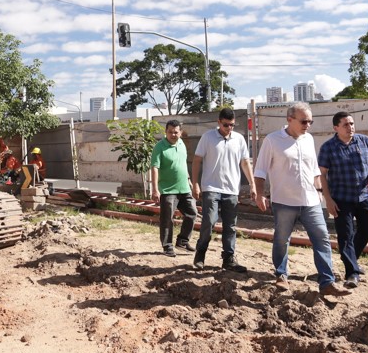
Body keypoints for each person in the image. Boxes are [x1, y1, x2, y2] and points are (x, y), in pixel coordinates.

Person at [253, 102, 351, 297]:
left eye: (310, 121)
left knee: (322, 238)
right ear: (289, 120)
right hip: (284, 201)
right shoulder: (272, 140)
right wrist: (260, 193)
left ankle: (327, 282)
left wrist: (322, 194)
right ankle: (281, 275)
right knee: (282, 239)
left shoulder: (309, 139)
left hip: (310, 200)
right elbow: (260, 170)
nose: (308, 125)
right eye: (304, 121)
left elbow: (315, 171)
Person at [317, 111, 368, 288]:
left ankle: (351, 259)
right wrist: (328, 199)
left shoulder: (364, 141)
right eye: (346, 124)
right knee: (345, 236)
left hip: (364, 195)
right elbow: (322, 175)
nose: (350, 127)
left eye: (352, 124)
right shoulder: (328, 147)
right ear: (336, 127)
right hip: (341, 199)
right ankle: (352, 273)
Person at [191, 108, 257, 272]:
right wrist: (195, 183)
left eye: (232, 125)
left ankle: (228, 259)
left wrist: (252, 184)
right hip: (211, 187)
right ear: (219, 122)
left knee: (230, 226)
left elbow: (245, 163)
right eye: (226, 125)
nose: (229, 128)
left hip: (231, 189)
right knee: (209, 221)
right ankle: (200, 254)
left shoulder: (239, 139)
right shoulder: (208, 137)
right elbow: (197, 160)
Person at [150, 120, 197, 257]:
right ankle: (167, 246)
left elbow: (182, 164)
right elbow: (154, 168)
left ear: (180, 133)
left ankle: (182, 241)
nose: (173, 134)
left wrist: (188, 180)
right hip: (167, 190)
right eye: (170, 132)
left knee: (192, 213)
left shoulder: (182, 144)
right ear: (166, 132)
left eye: (176, 132)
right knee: (167, 219)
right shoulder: (159, 147)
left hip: (184, 188)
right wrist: (155, 189)